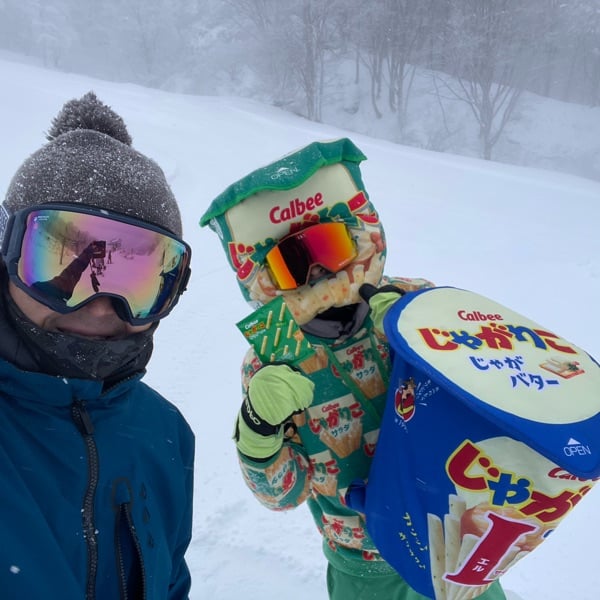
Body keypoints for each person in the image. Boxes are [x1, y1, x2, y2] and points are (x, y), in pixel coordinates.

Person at [200, 139, 506, 599]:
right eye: (291, 265)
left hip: (457, 538)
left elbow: (492, 389)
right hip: (366, 567)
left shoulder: (412, 301)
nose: (319, 273)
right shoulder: (273, 360)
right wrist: (258, 428)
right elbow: (282, 494)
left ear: (359, 238)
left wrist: (424, 337)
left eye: (330, 246)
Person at [0, 92, 194, 598]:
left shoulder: (166, 433)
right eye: (65, 264)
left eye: (138, 278)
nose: (103, 308)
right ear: (7, 253)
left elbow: (171, 583)